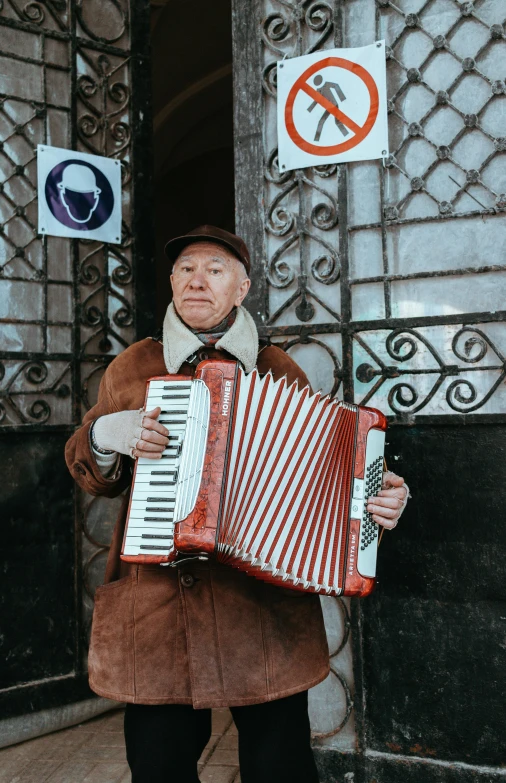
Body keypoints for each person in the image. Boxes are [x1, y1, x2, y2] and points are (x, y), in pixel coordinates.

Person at [65, 225, 409, 783]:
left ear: (242, 287)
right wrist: (108, 433)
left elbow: (330, 465)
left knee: (280, 768)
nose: (196, 280)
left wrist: (381, 492)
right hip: (156, 604)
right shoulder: (133, 364)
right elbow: (87, 465)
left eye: (214, 270)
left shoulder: (278, 368)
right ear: (172, 282)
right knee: (158, 767)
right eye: (184, 270)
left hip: (262, 610)